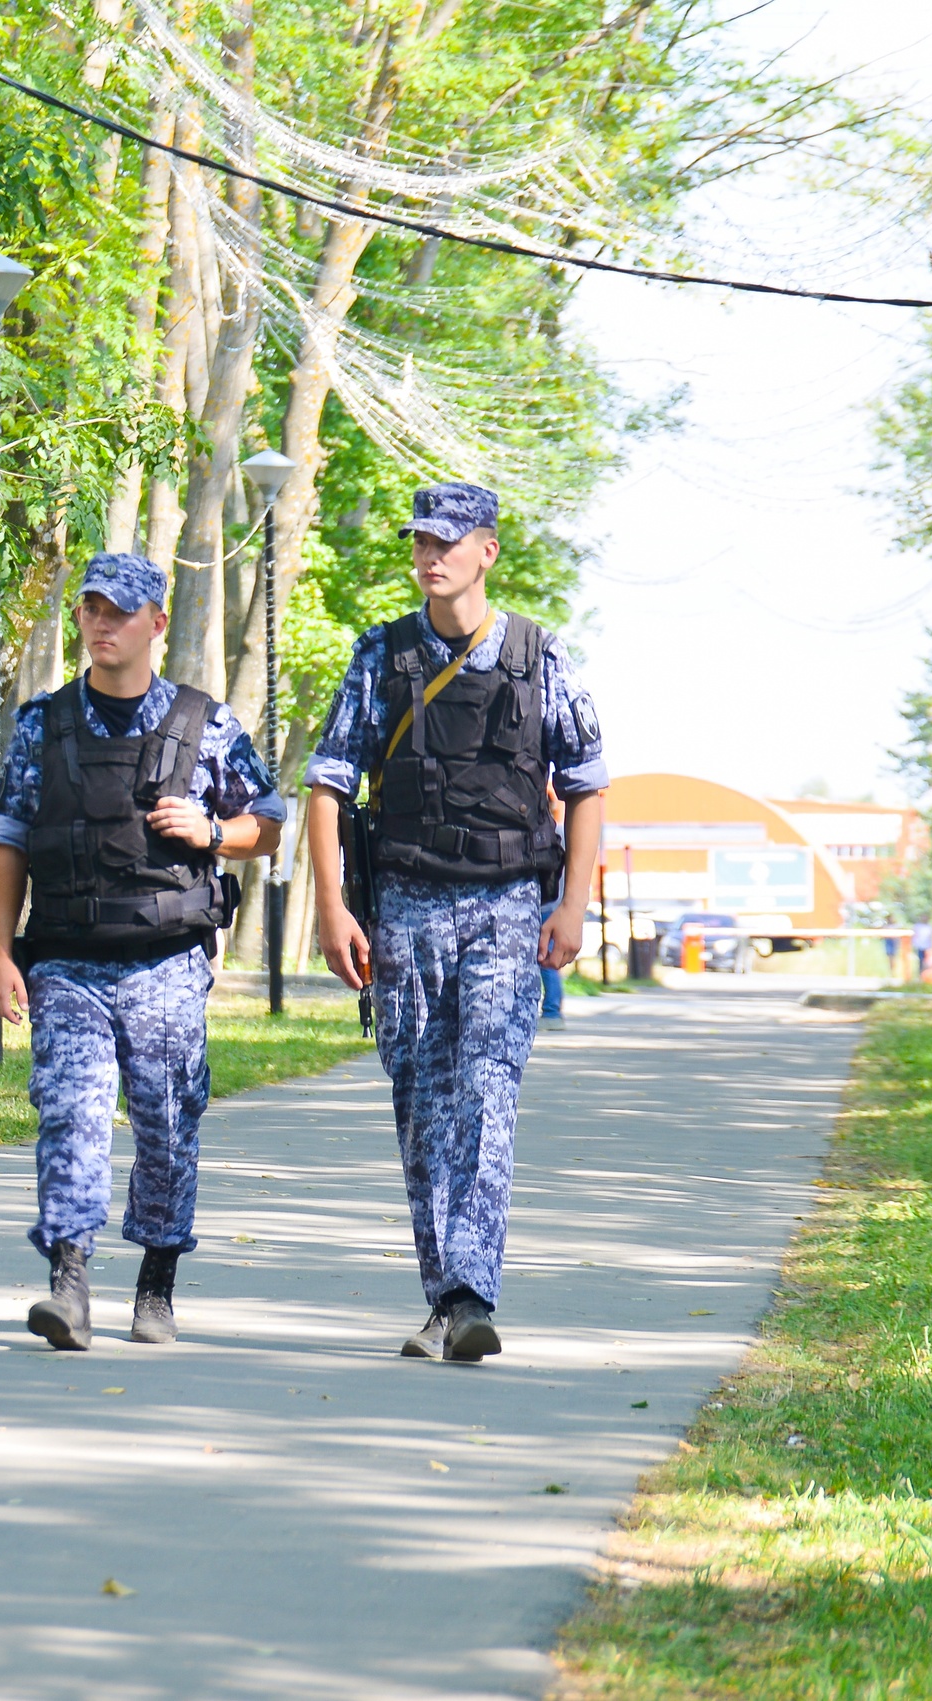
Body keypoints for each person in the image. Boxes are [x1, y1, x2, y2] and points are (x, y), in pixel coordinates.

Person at [303, 483, 607, 1363]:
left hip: (508, 907)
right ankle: (445, 1295)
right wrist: (332, 908)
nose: (431, 556)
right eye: (421, 542)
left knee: (486, 1089)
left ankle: (471, 1292)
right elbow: (327, 784)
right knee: (423, 1104)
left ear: (487, 551)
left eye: (448, 541)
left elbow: (588, 784)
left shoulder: (541, 659)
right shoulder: (381, 656)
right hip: (405, 908)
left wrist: (573, 904)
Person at [0, 551, 286, 1351]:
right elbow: (9, 841)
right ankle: (69, 1282)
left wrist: (212, 830)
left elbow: (269, 822)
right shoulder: (42, 724)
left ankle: (157, 1281)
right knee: (70, 1110)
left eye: (119, 611)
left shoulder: (205, 724)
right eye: (91, 608)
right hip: (67, 959)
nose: (102, 623)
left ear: (157, 622)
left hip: (167, 960)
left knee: (166, 1119)